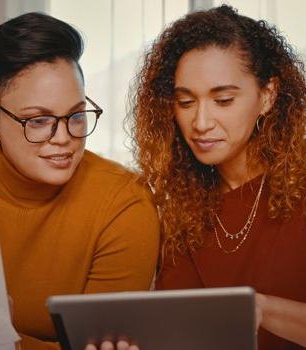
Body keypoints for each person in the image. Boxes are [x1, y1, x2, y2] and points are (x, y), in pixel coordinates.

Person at [0, 12, 160, 350]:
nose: (65, 137)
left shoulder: (124, 202)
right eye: (38, 121)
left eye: (77, 116)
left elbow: (96, 346)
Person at [128, 4, 306, 350]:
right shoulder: (178, 201)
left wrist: (261, 309)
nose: (201, 122)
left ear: (267, 96)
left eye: (223, 100)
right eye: (185, 102)